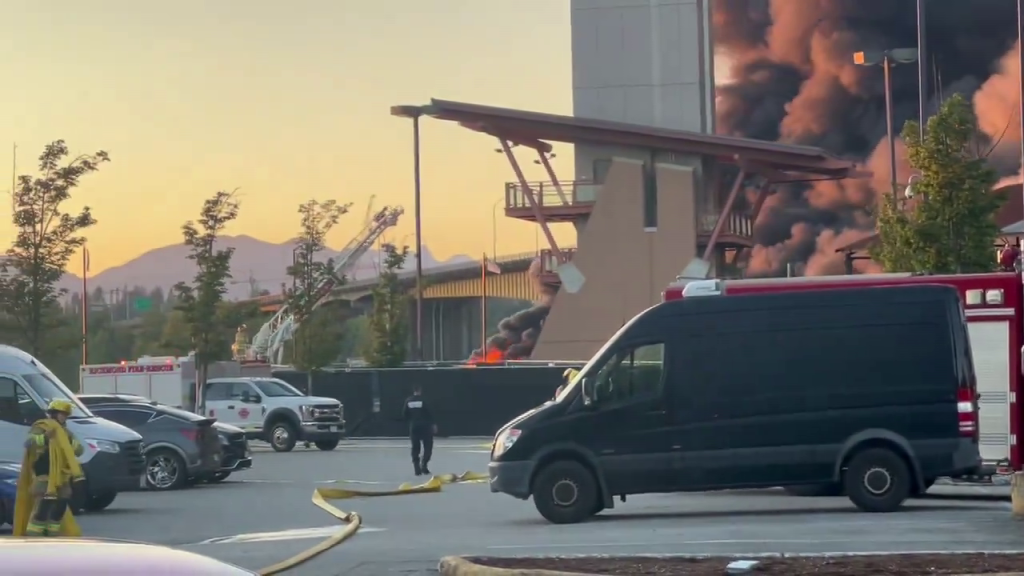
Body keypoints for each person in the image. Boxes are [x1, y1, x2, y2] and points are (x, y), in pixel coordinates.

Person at [13, 399, 86, 537]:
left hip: (62, 475)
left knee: (61, 505)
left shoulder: (67, 433)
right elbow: (28, 444)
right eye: (62, 414)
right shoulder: (41, 426)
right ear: (53, 414)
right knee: (43, 506)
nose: (64, 417)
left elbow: (79, 451)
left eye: (66, 414)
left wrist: (70, 443)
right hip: (44, 473)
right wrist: (45, 439)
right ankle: (34, 535)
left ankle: (53, 534)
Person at [402, 385, 436, 476]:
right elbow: (429, 413)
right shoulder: (424, 400)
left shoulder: (408, 401)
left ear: (413, 391)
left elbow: (405, 414)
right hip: (425, 426)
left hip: (414, 426)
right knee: (428, 446)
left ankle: (416, 468)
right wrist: (433, 424)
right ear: (420, 391)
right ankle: (424, 465)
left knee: (415, 447)